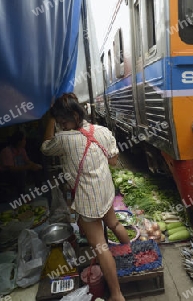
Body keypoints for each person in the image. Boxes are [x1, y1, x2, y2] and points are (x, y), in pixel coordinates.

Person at [41, 93, 129, 301]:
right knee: (114, 224)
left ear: (72, 115)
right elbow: (114, 160)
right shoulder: (102, 131)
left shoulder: (63, 139)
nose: (61, 126)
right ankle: (130, 254)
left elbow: (45, 148)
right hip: (105, 190)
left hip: (88, 199)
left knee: (100, 246)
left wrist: (50, 120)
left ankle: (117, 294)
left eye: (62, 121)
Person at [0, 130, 43, 195]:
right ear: (19, 141)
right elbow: (11, 168)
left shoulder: (21, 149)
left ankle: (39, 189)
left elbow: (27, 161)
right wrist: (28, 167)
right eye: (24, 140)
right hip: (4, 173)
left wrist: (34, 165)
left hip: (17, 169)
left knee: (36, 169)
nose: (25, 141)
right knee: (20, 174)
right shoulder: (7, 151)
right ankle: (22, 195)